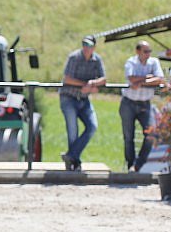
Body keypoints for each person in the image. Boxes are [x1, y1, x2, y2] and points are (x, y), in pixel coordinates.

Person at [59, 36, 108, 171]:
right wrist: (85, 85)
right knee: (72, 130)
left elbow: (103, 79)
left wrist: (92, 84)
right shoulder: (74, 57)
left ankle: (71, 156)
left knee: (92, 126)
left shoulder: (97, 60)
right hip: (68, 97)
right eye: (84, 45)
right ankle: (74, 163)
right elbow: (67, 79)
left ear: (94, 47)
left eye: (89, 45)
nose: (86, 48)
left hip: (84, 99)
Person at [119, 40, 164, 172]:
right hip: (129, 103)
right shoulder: (131, 62)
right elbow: (131, 79)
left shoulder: (154, 62)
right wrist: (148, 78)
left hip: (145, 103)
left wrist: (141, 81)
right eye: (145, 51)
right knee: (128, 136)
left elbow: (160, 79)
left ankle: (138, 164)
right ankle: (130, 165)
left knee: (151, 134)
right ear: (138, 51)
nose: (148, 54)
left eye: (149, 51)